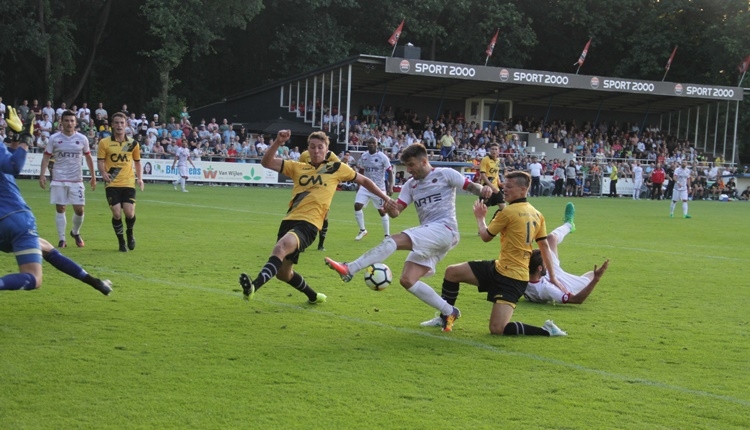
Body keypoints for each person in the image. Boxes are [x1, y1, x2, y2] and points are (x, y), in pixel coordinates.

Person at [325, 143, 495, 332]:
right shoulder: (410, 185)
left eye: (412, 165)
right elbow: (397, 211)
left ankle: (350, 268)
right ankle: (449, 311)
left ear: (424, 161)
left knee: (392, 240)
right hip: (432, 234)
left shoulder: (445, 174)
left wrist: (483, 190)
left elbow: (471, 186)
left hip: (445, 229)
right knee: (407, 279)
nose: (409, 170)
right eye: (407, 166)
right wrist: (389, 209)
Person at [238, 130, 391, 304]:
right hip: (289, 221)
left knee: (281, 247)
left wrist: (386, 198)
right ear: (308, 149)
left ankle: (253, 286)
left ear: (327, 150)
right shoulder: (298, 167)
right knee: (283, 273)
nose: (316, 150)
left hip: (310, 224)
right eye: (312, 147)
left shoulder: (336, 168)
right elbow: (266, 162)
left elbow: (364, 181)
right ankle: (314, 296)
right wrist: (278, 142)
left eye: (320, 147)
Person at [419, 171, 568, 336]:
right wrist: (553, 277)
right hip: (500, 268)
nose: (504, 189)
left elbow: (485, 237)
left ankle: (547, 330)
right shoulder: (537, 214)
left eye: (509, 187)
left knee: (497, 329)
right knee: (452, 272)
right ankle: (446, 317)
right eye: (504, 185)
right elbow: (545, 247)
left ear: (523, 189)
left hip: (513, 278)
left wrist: (480, 217)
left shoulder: (508, 212)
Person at [1, 113, 112, 295]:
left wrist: (13, 138)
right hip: (14, 216)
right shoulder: (55, 139)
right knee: (33, 277)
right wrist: (24, 139)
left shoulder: (81, 139)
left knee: (45, 247)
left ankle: (95, 282)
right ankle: (67, 240)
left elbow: (6, 163)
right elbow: (13, 166)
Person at [524, 203, 609, 304]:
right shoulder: (547, 289)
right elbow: (576, 300)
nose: (548, 262)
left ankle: (569, 224)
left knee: (551, 238)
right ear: (540, 268)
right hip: (567, 285)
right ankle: (569, 225)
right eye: (546, 262)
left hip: (545, 276)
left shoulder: (522, 277)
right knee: (592, 274)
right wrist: (596, 279)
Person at [39, 110, 97, 248]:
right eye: (66, 120)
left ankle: (75, 232)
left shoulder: (82, 139)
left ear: (75, 122)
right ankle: (62, 239)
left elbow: (88, 157)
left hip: (76, 179)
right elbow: (46, 157)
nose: (69, 123)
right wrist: (42, 175)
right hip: (59, 178)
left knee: (79, 210)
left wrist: (93, 176)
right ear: (61, 122)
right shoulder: (54, 138)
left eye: (72, 121)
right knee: (61, 208)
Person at [97, 112, 145, 252]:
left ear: (126, 125)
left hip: (128, 182)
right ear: (112, 125)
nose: (119, 126)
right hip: (112, 182)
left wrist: (140, 178)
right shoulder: (104, 142)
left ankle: (130, 233)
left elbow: (137, 162)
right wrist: (103, 173)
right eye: (116, 123)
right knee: (116, 213)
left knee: (129, 213)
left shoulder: (132, 143)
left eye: (122, 123)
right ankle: (121, 241)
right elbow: (100, 161)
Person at [299, 145, 341, 250]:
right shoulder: (305, 155)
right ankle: (301, 242)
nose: (316, 150)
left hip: (322, 189)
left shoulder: (331, 156)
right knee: (303, 215)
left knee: (324, 216)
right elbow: (299, 168)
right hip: (307, 188)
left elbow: (339, 168)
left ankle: (321, 244)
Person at [353, 137, 393, 241]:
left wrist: (390, 186)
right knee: (357, 206)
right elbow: (361, 171)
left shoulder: (382, 157)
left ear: (377, 144)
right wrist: (358, 185)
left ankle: (387, 235)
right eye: (369, 142)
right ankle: (362, 230)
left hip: (378, 188)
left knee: (382, 211)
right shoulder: (364, 156)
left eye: (373, 143)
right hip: (366, 187)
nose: (371, 144)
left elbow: (389, 171)